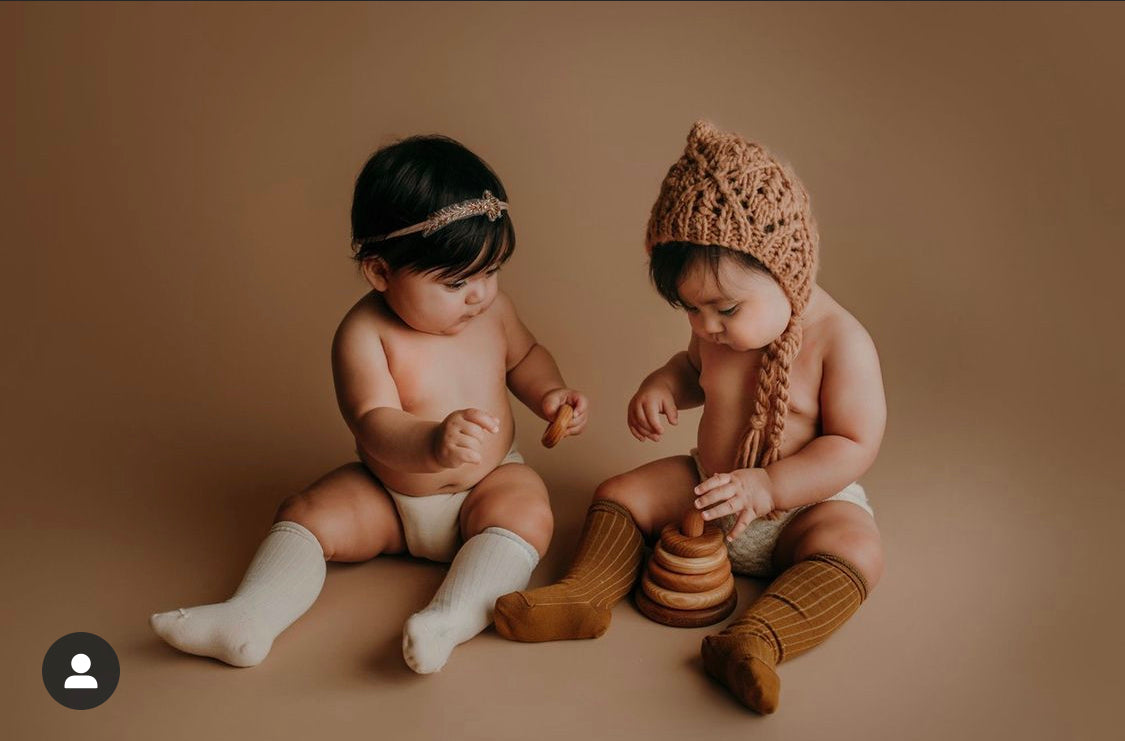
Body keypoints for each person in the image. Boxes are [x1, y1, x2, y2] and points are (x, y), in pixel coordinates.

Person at [151, 134, 588, 674]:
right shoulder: (363, 335)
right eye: (456, 281)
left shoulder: (493, 313)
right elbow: (373, 422)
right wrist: (432, 441)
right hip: (389, 495)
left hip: (487, 481)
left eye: (491, 272)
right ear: (381, 272)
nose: (479, 294)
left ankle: (448, 621)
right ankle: (249, 616)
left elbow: (525, 357)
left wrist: (550, 394)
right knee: (306, 513)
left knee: (527, 510)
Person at [494, 121, 885, 714]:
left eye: (724, 309)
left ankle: (757, 642)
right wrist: (665, 385)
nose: (706, 327)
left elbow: (854, 442)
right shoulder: (715, 332)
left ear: (789, 271)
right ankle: (584, 594)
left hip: (802, 505)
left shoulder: (841, 342)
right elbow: (692, 368)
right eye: (690, 309)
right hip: (709, 487)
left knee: (858, 548)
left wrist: (770, 485)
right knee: (621, 491)